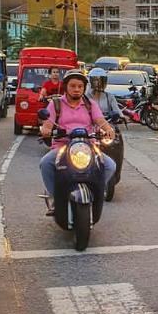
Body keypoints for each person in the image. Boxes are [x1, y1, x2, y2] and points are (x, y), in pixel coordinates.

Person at [39, 70, 116, 214]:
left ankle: (95, 191)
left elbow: (100, 120)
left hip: (87, 146)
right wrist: (46, 130)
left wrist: (107, 129)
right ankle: (55, 198)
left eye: (80, 86)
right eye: (73, 86)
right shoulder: (56, 104)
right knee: (45, 163)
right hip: (62, 146)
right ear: (66, 87)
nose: (76, 89)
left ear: (84, 88)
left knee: (110, 166)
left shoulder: (90, 104)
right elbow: (47, 124)